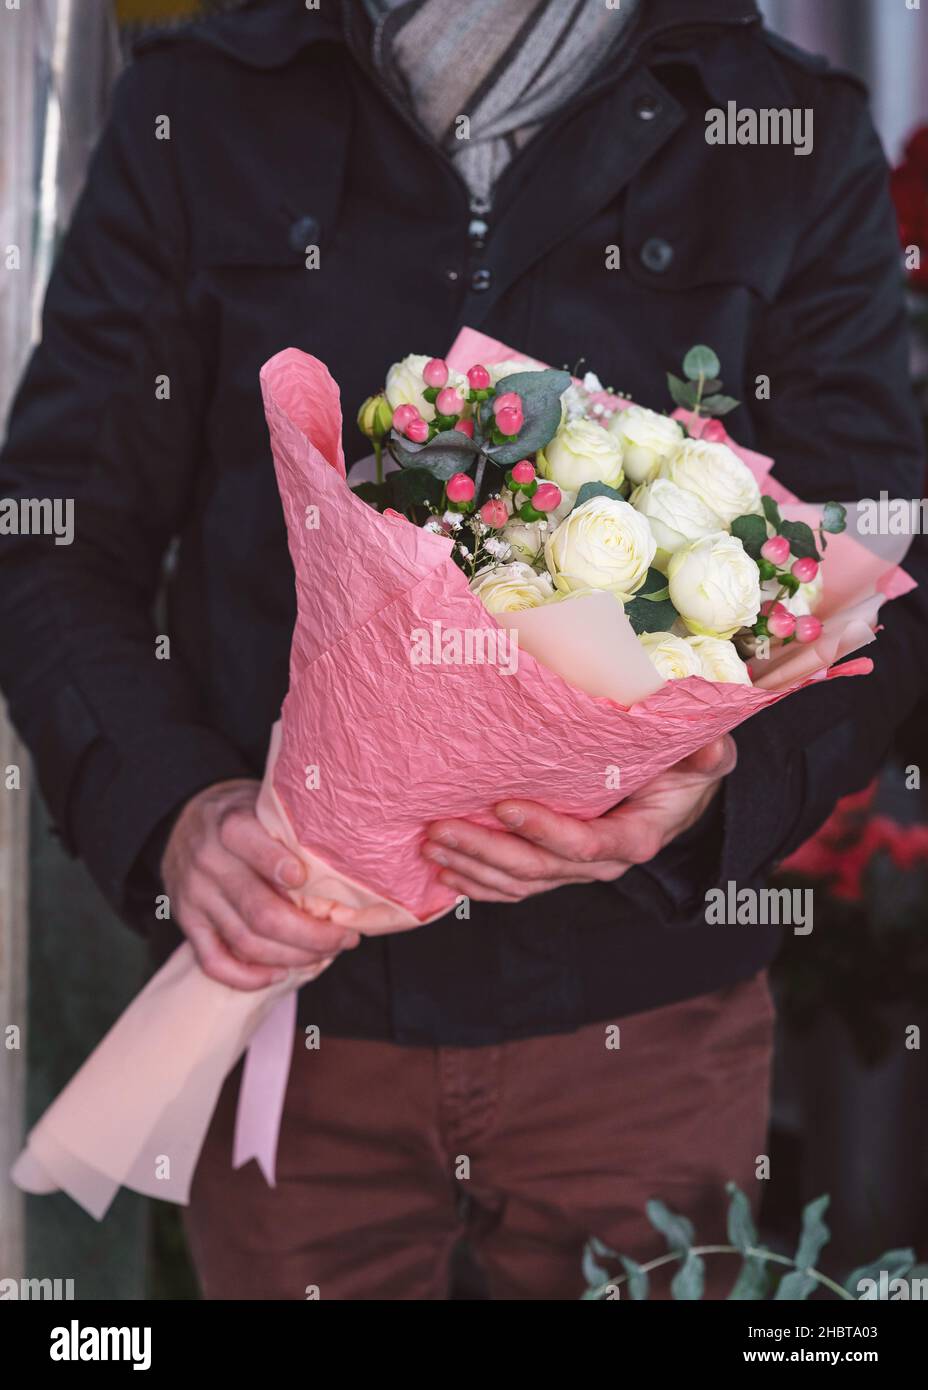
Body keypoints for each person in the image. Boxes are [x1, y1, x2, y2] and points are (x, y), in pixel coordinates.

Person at [1, 0, 925, 1300]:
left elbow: (877, 578)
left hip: (644, 1034)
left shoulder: (786, 132)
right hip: (292, 1010)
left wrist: (709, 790)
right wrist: (175, 811)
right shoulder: (200, 102)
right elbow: (49, 539)